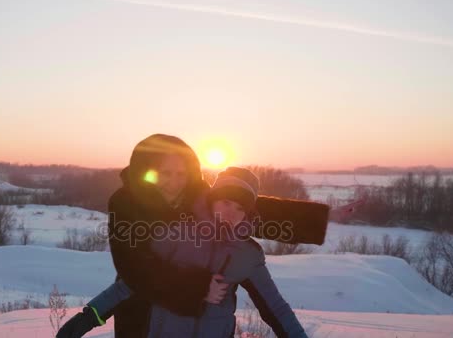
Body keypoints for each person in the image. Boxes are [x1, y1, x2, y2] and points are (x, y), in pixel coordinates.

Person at [57, 134, 330, 338]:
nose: (230, 212)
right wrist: (87, 318)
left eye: (239, 208)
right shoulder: (169, 230)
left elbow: (276, 309)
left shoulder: (248, 256)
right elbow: (131, 282)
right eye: (223, 203)